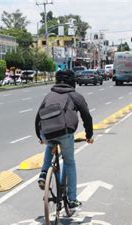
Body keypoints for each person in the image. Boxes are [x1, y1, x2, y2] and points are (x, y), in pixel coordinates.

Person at [35, 69, 94, 211]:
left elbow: (38, 117)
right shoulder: (75, 96)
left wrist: (40, 136)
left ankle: (44, 173)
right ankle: (72, 199)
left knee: (50, 145)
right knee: (69, 162)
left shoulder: (49, 95)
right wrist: (89, 135)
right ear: (73, 81)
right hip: (65, 132)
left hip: (46, 132)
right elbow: (86, 116)